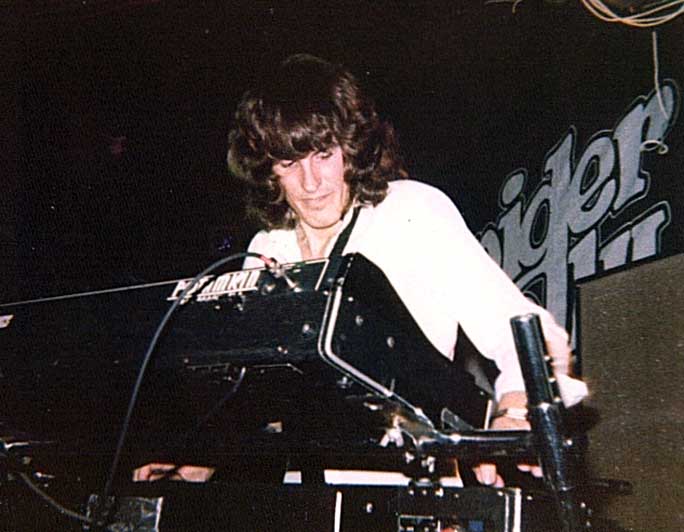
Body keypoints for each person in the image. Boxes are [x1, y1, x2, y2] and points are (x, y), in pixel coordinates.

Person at [134, 53, 585, 487]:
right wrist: (202, 456)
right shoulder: (267, 248)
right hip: (302, 499)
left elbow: (531, 333)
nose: (311, 183)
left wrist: (514, 414)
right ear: (268, 170)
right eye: (289, 163)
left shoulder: (411, 212)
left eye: (324, 155)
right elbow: (259, 395)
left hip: (407, 492)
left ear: (351, 150)